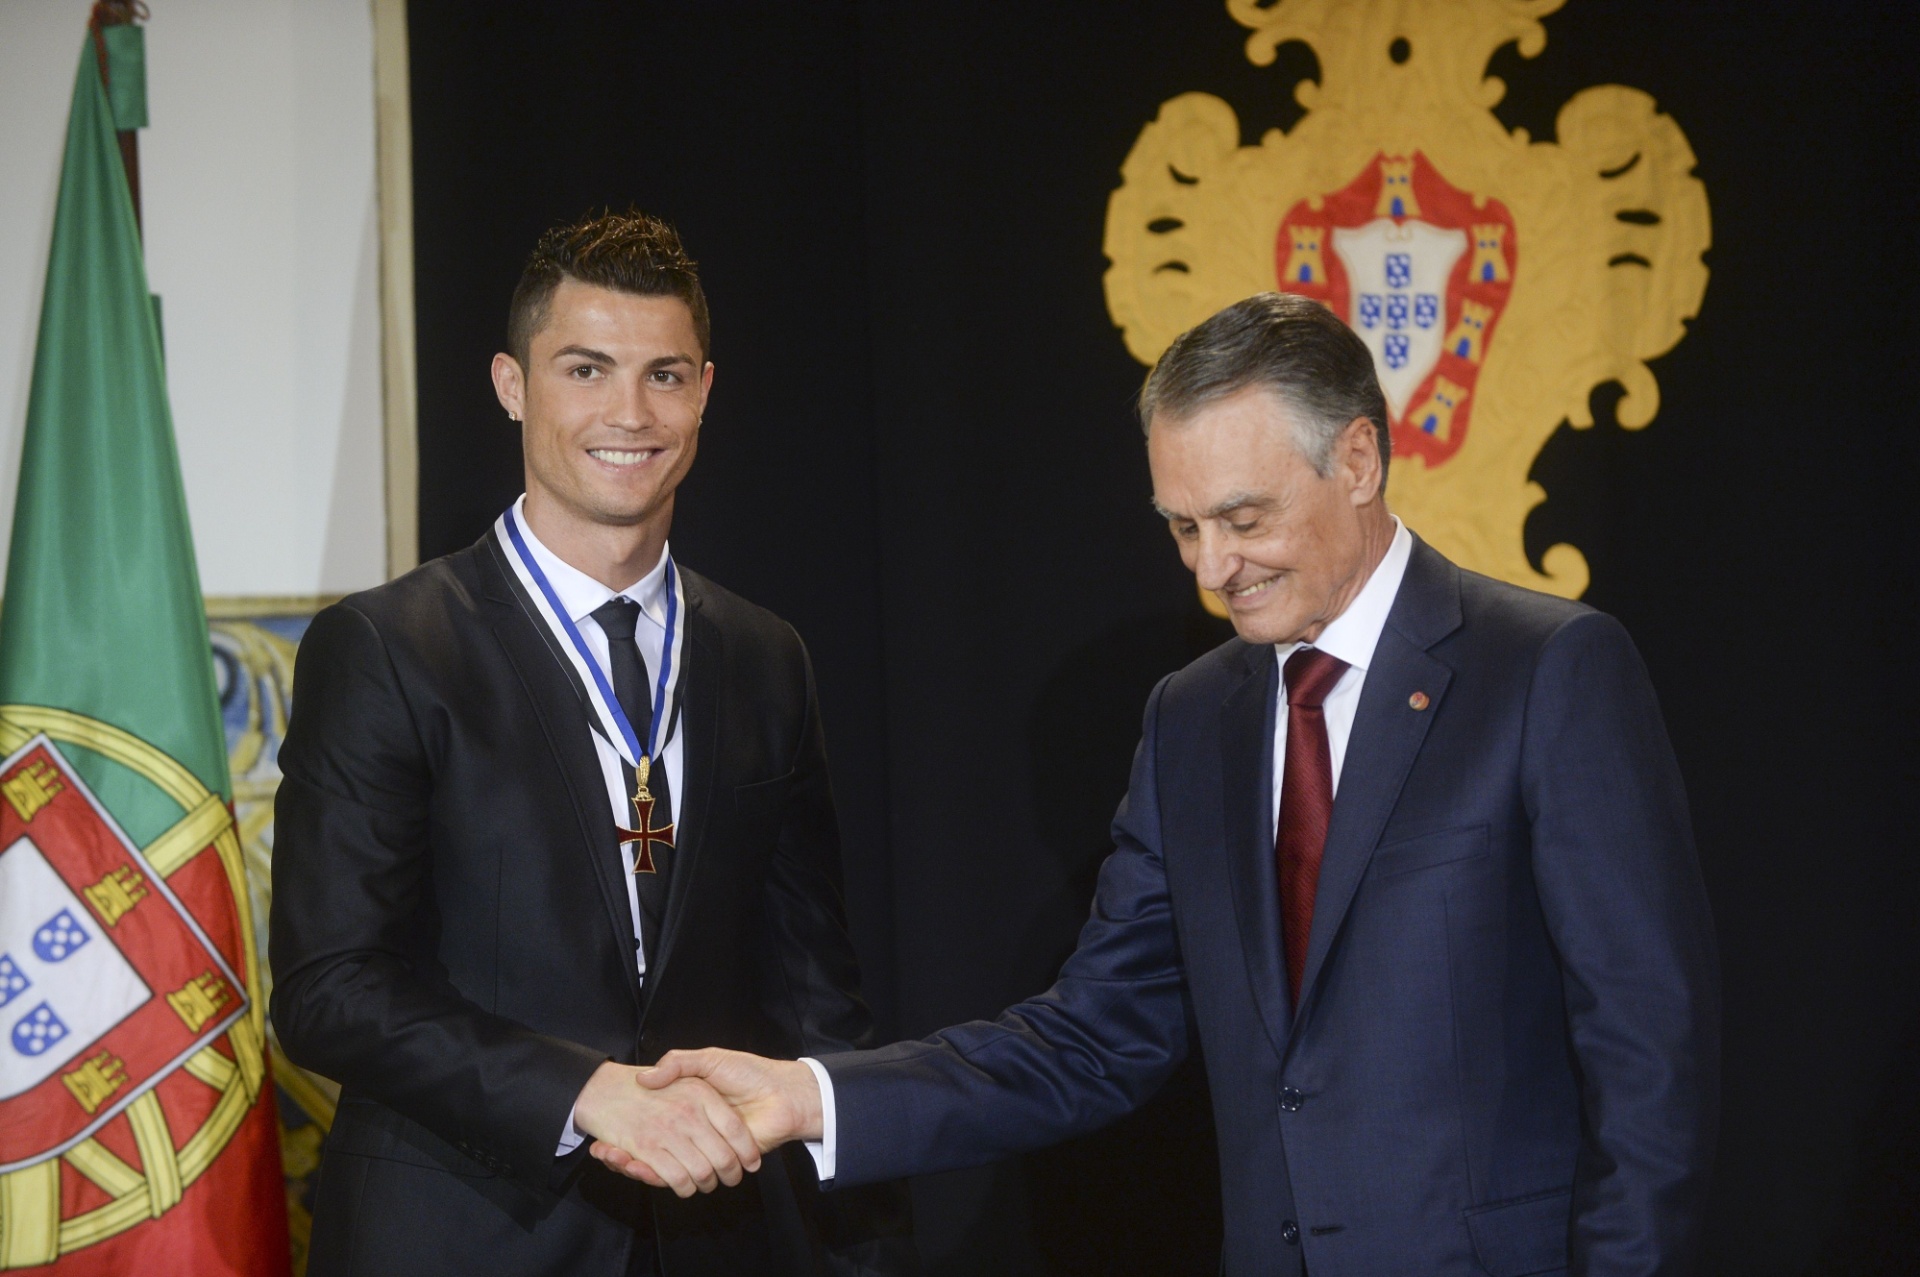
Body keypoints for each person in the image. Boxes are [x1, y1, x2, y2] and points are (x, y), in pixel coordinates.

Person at [624, 293, 1722, 1275]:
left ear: (1357, 461)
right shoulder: (1194, 716)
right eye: (1184, 527)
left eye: (1243, 520)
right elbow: (1093, 1034)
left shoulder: (1547, 668)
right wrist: (810, 1095)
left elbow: (1647, 1054)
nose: (1210, 568)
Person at [270, 210, 912, 1276]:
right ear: (512, 384)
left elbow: (816, 1003)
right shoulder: (387, 645)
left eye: (664, 374)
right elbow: (330, 988)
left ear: (705, 390)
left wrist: (870, 1253)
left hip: (713, 1238)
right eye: (586, 368)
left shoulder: (764, 655)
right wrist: (583, 1090)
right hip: (460, 1236)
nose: (629, 411)